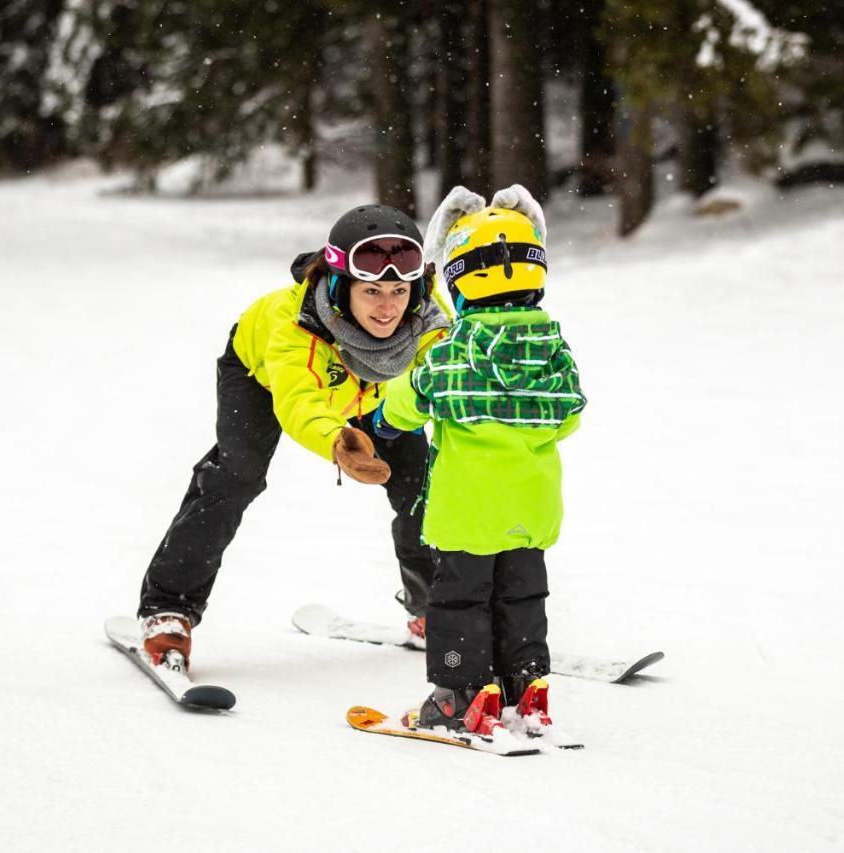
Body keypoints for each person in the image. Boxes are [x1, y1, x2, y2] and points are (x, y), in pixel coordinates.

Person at [137, 204, 451, 668]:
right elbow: (299, 402)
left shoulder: (427, 316)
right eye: (371, 291)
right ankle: (168, 607)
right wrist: (339, 443)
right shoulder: (294, 324)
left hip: (373, 393)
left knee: (423, 486)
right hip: (260, 378)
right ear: (343, 286)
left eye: (398, 291)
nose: (387, 307)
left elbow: (447, 372)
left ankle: (433, 607)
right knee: (236, 475)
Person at [373, 185, 586, 734]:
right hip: (531, 508)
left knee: (461, 600)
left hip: (468, 510)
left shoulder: (450, 353)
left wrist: (384, 423)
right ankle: (526, 685)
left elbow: (406, 402)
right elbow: (569, 419)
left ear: (460, 280)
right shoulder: (555, 350)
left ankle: (460, 690)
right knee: (522, 595)